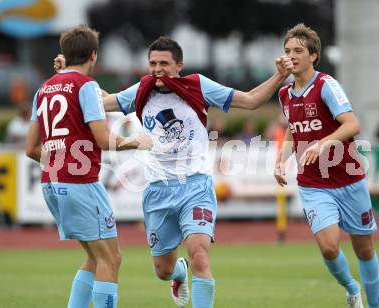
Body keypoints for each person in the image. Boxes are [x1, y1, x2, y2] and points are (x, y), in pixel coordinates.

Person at [57, 36, 292, 308]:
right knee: (162, 270)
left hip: (196, 187)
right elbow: (103, 101)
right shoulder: (142, 89)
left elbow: (251, 100)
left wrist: (279, 76)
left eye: (164, 64)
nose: (157, 69)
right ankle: (178, 273)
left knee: (200, 255)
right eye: (153, 63)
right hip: (158, 190)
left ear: (179, 66)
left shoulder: (198, 86)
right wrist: (68, 73)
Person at [26, 25, 151, 308]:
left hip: (52, 181)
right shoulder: (87, 87)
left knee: (96, 258)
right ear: (93, 54)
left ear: (65, 54)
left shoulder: (43, 89)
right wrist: (137, 142)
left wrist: (60, 161)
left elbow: (30, 148)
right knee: (111, 258)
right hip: (79, 183)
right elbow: (103, 139)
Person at [274, 24, 379, 308]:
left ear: (313, 55)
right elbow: (293, 130)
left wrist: (323, 143)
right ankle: (351, 287)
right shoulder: (285, 94)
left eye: (298, 50)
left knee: (364, 249)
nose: (291, 56)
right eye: (287, 51)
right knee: (329, 246)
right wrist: (281, 161)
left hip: (349, 179)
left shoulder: (326, 85)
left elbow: (353, 124)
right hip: (313, 183)